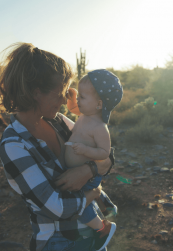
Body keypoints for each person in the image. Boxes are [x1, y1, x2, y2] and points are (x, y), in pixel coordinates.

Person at [0, 42, 116, 251]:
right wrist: (93, 193)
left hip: (92, 234)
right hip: (59, 242)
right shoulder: (14, 145)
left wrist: (87, 170)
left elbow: (107, 157)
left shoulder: (59, 121)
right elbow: (57, 208)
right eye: (61, 92)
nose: (65, 99)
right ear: (37, 93)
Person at [64, 70, 123, 250]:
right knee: (81, 197)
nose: (79, 101)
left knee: (80, 205)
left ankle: (102, 228)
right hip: (80, 174)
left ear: (98, 104)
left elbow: (104, 153)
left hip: (87, 177)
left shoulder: (99, 127)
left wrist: (86, 150)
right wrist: (72, 96)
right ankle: (105, 202)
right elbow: (74, 108)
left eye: (82, 97)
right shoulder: (85, 115)